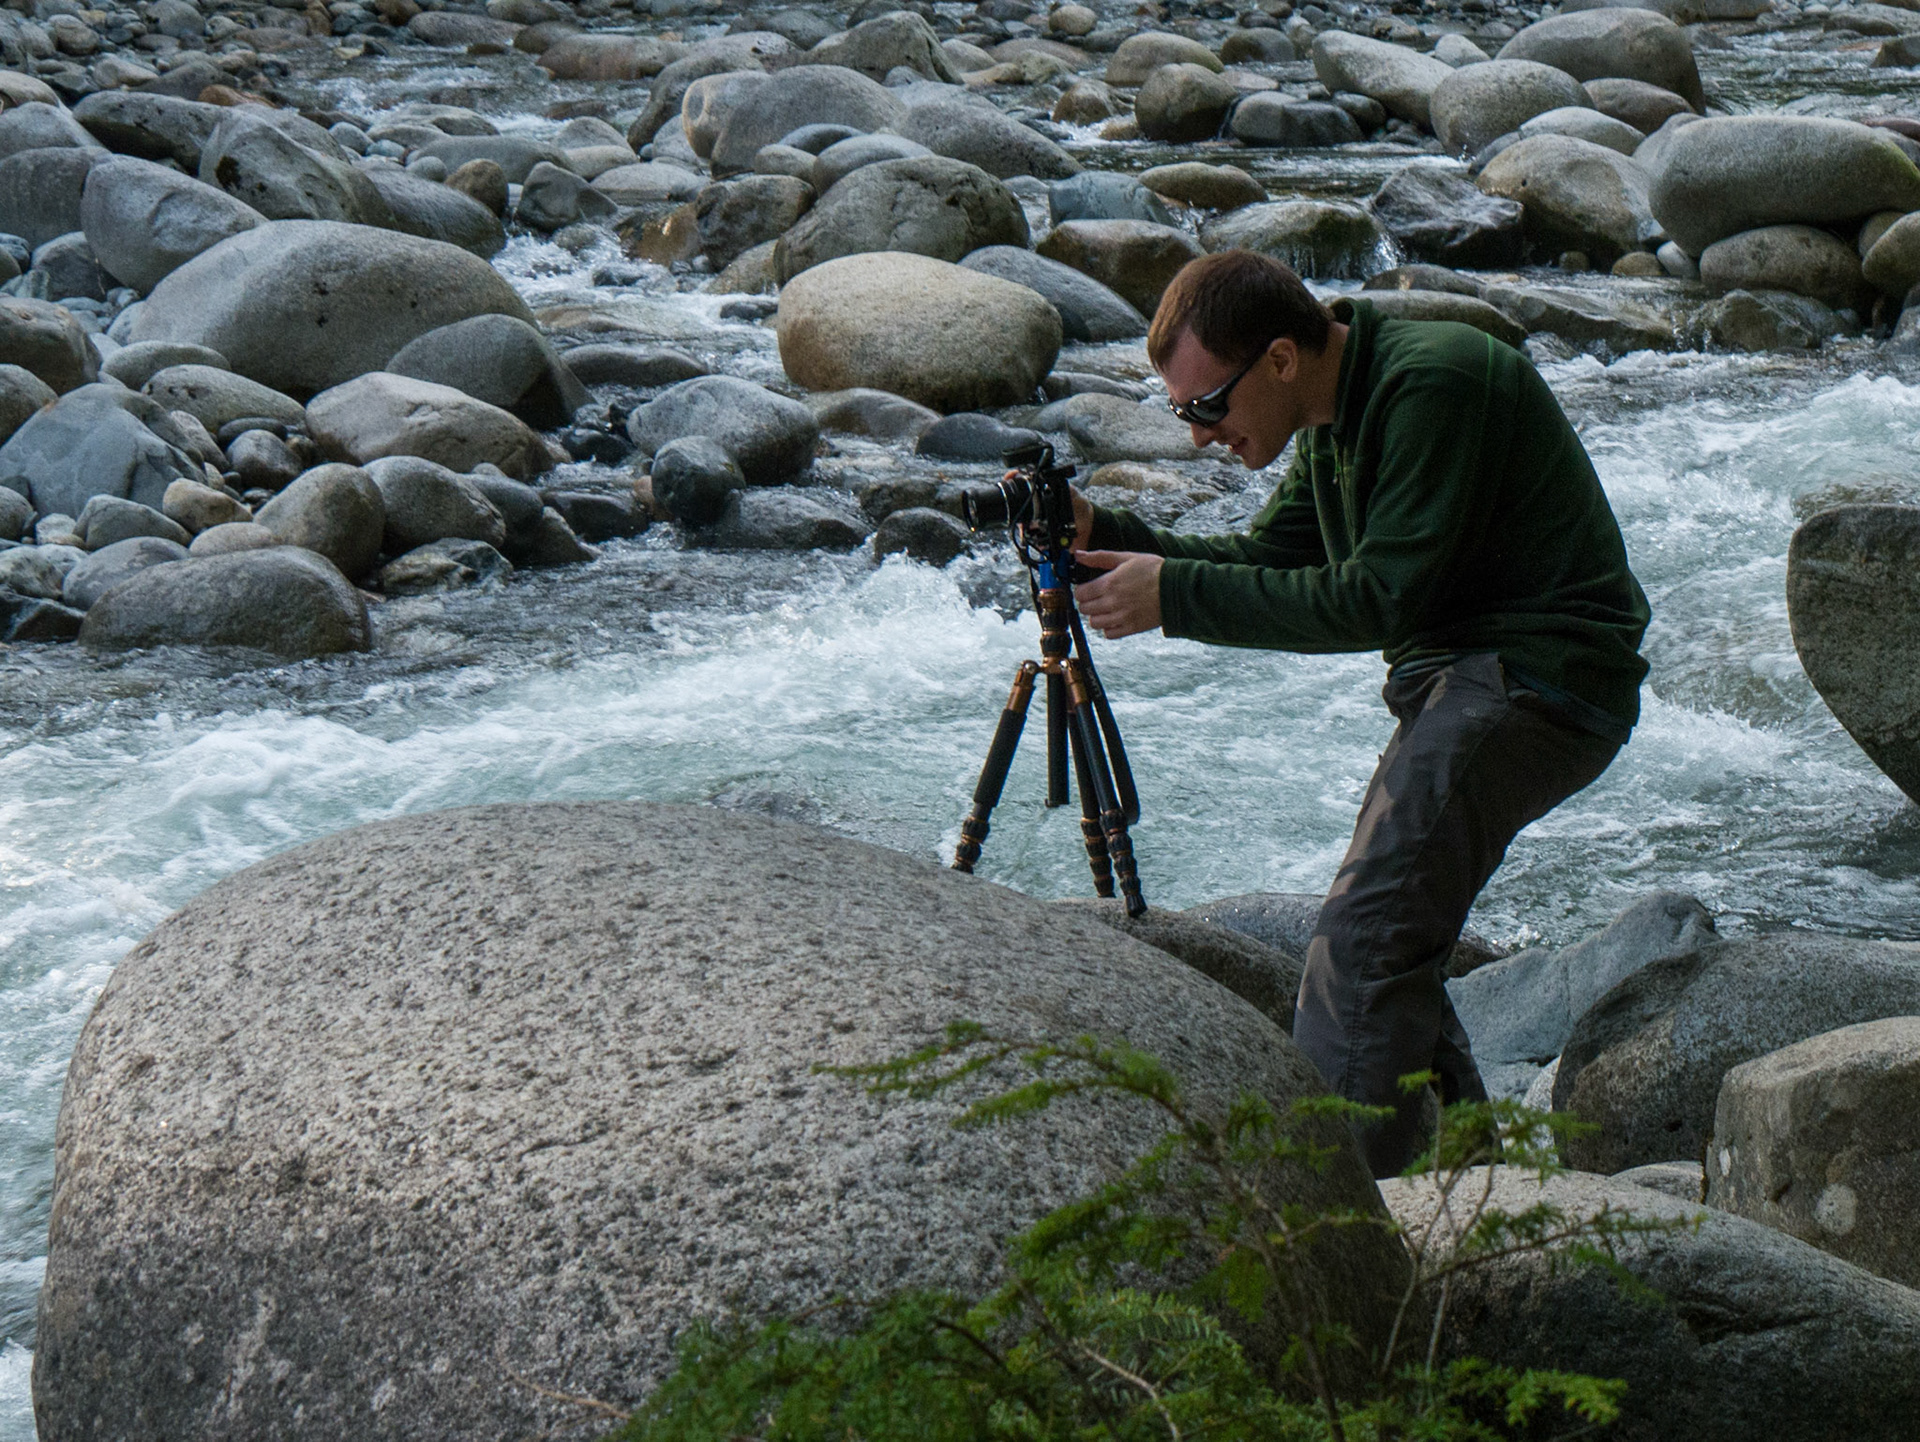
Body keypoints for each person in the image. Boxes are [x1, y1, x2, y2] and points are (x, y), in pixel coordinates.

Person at [1066, 250, 1650, 1178]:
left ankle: (1339, 1229)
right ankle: (1471, 1192)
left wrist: (1174, 599)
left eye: (1205, 407)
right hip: (1470, 681)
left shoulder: (1432, 384)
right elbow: (1269, 559)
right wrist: (1106, 539)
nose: (1196, 438)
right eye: (1181, 414)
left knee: (1362, 937)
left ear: (1283, 359)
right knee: (1392, 936)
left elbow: (1381, 598)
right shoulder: (1340, 413)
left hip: (1537, 679)